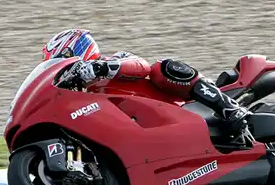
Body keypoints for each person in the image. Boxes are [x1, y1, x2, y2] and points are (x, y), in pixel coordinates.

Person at [42, 28, 250, 137]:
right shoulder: (83, 96)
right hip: (150, 131)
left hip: (179, 106)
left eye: (60, 60)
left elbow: (140, 66)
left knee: (162, 67)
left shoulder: (113, 60)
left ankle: (228, 107)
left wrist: (101, 68)